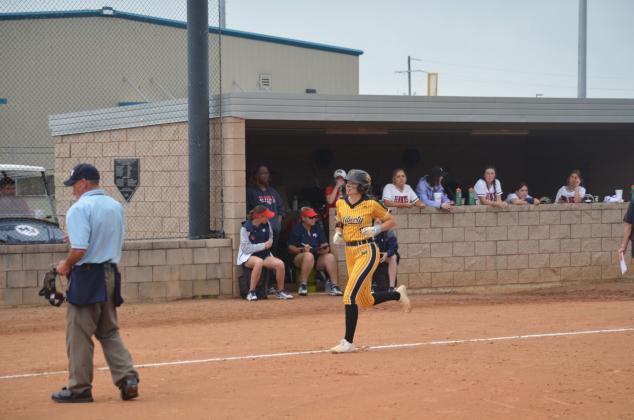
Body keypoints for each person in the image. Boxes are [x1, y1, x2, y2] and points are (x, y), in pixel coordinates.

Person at [52, 163, 139, 403]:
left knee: (79, 334)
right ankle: (127, 378)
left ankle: (79, 388)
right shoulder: (115, 206)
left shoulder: (79, 208)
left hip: (87, 276)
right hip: (110, 272)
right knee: (109, 331)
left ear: (83, 183)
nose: (73, 191)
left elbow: (80, 249)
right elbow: (104, 237)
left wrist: (66, 264)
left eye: (74, 186)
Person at [330, 169, 411, 354]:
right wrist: (339, 232)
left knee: (349, 295)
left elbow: (391, 221)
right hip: (350, 251)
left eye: (353, 183)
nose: (348, 185)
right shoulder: (341, 202)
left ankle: (348, 342)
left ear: (362, 186)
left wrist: (376, 229)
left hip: (367, 250)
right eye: (348, 182)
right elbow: (340, 220)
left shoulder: (370, 204)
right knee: (365, 300)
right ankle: (398, 295)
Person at [237, 205, 293, 301]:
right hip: (248, 257)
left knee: (280, 264)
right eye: (266, 216)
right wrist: (263, 245)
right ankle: (251, 292)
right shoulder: (246, 228)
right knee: (259, 262)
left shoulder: (267, 224)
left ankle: (280, 291)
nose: (269, 217)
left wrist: (269, 242)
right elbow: (246, 249)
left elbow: (270, 237)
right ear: (259, 217)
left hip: (264, 255)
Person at [287, 207, 343, 296]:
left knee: (330, 257)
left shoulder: (317, 228)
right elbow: (290, 248)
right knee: (308, 255)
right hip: (300, 257)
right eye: (310, 217)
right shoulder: (297, 228)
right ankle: (303, 285)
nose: (313, 219)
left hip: (317, 255)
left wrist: (324, 250)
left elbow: (325, 245)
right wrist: (302, 250)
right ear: (303, 218)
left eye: (314, 217)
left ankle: (334, 286)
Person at [246, 165, 285, 254]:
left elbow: (281, 209)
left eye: (266, 173)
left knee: (273, 254)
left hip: (274, 231)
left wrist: (277, 224)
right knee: (261, 254)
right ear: (256, 175)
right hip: (260, 231)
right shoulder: (250, 191)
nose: (265, 175)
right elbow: (248, 211)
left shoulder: (273, 191)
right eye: (262, 173)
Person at [374, 218, 399, 292]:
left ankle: (391, 287)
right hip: (371, 255)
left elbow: (394, 246)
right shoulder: (369, 231)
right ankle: (370, 286)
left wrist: (387, 253)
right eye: (376, 219)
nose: (378, 221)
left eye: (380, 219)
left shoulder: (389, 231)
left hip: (384, 255)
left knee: (393, 257)